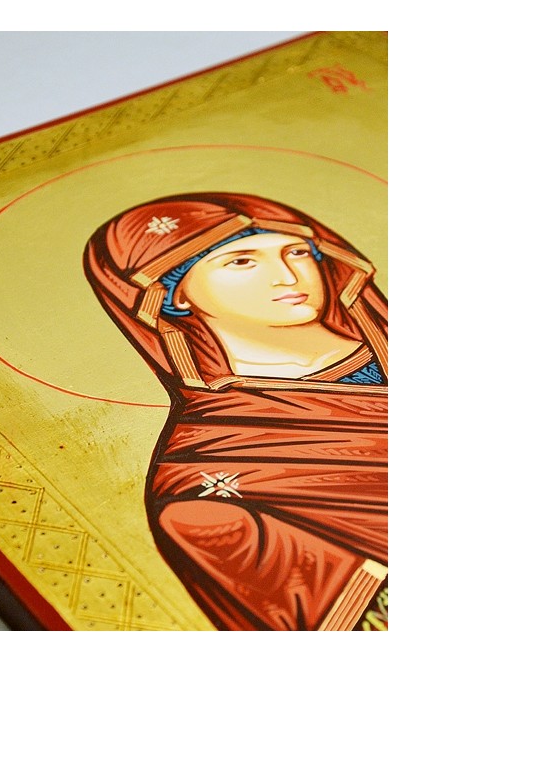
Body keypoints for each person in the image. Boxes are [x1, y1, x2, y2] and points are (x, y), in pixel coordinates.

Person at [84, 192, 388, 631]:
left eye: (297, 252)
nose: (288, 276)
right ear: (175, 295)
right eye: (242, 261)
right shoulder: (205, 482)